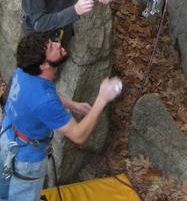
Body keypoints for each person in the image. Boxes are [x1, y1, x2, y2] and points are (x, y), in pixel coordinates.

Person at [0, 32, 121, 201]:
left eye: (52, 42)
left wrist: (73, 105)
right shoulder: (44, 100)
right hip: (26, 158)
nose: (58, 44)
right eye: (51, 47)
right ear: (43, 65)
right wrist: (102, 99)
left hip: (6, 138)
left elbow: (42, 96)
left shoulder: (24, 70)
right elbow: (78, 135)